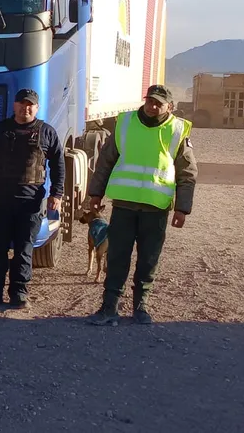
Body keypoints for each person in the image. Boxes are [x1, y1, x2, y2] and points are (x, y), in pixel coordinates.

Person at [85, 84, 198, 325]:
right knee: (117, 257)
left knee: (148, 259)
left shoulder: (177, 130)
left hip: (155, 209)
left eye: (158, 103)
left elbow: (187, 173)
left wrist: (182, 208)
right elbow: (105, 161)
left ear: (169, 107)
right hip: (124, 206)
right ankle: (109, 307)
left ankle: (140, 306)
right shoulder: (125, 124)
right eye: (150, 101)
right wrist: (95, 193)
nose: (152, 106)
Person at [0, 89, 64, 309]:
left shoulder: (47, 132)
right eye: (22, 104)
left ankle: (19, 294)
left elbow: (58, 165)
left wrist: (57, 194)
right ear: (14, 106)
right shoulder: (0, 130)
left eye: (30, 104)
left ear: (37, 108)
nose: (26, 108)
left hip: (31, 203)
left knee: (24, 250)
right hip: (2, 200)